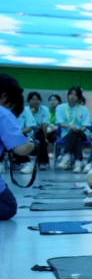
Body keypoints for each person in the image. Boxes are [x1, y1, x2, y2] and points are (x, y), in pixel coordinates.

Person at [0, 74, 35, 219]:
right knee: (9, 207)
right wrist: (33, 144)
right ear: (3, 96)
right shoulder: (3, 114)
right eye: (10, 104)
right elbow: (21, 149)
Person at [54, 86, 91, 173]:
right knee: (75, 137)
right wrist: (70, 127)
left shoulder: (84, 109)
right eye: (71, 94)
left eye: (75, 95)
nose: (72, 96)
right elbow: (60, 123)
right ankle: (78, 162)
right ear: (68, 95)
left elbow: (85, 126)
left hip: (82, 133)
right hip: (66, 134)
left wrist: (78, 129)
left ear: (79, 97)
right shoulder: (60, 108)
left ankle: (67, 156)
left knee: (76, 134)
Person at [25, 92, 52, 170]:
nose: (35, 101)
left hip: (39, 130)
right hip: (27, 130)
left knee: (42, 140)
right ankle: (23, 162)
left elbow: (44, 124)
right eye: (33, 99)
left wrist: (46, 137)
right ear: (29, 100)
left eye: (37, 99)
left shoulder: (44, 109)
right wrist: (31, 113)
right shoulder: (25, 110)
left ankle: (43, 162)